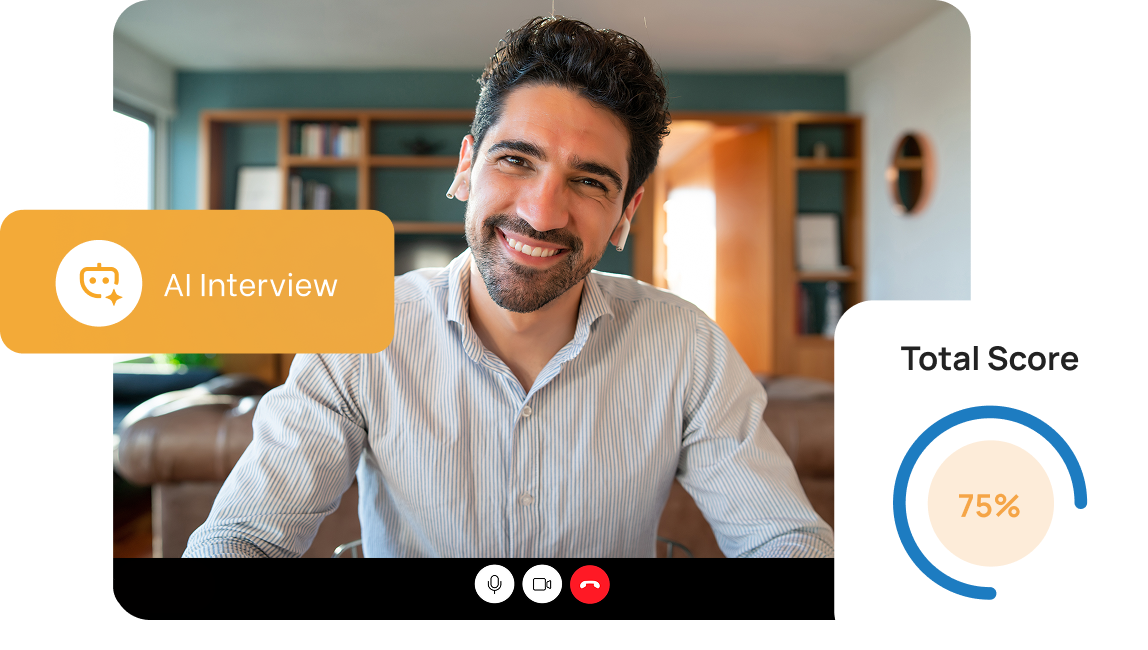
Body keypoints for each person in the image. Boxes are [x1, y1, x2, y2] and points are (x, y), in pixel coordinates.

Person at [184, 15, 834, 558]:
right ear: (468, 164)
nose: (543, 213)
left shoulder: (686, 346)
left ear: (626, 214)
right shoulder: (357, 333)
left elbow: (782, 537)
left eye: (589, 180)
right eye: (516, 160)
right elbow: (247, 536)